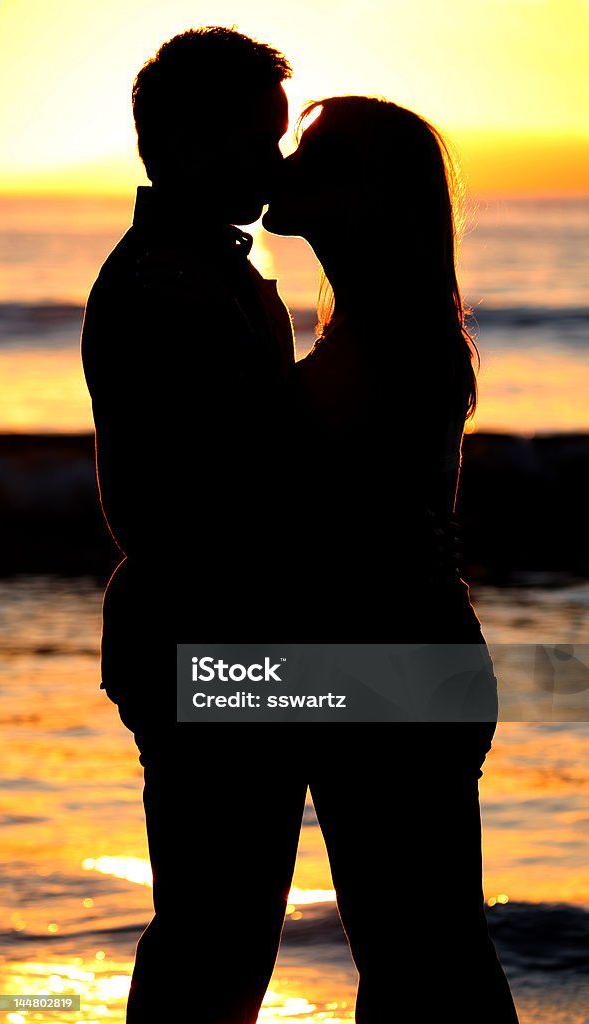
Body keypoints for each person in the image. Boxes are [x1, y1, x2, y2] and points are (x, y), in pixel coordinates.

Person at [262, 96, 521, 1022]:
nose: (283, 162)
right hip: (387, 662)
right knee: (418, 956)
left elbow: (330, 527)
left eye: (314, 154)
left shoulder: (397, 338)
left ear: (366, 195)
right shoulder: (376, 327)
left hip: (391, 667)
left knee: (426, 961)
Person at [80, 27, 298, 1022]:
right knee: (218, 926)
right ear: (179, 143)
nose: (272, 162)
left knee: (224, 924)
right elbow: (212, 496)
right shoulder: (168, 284)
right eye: (254, 140)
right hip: (202, 639)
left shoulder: (205, 269)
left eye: (276, 138)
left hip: (211, 635)